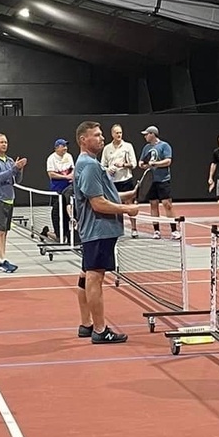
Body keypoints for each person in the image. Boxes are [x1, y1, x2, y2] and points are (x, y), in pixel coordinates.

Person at [73, 121, 139, 344]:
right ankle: (100, 330)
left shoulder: (86, 163)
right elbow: (98, 204)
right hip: (99, 230)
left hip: (94, 230)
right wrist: (127, 209)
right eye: (97, 135)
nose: (102, 138)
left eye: (102, 135)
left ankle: (86, 324)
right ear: (84, 139)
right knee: (95, 276)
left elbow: (102, 196)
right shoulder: (90, 165)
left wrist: (125, 195)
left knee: (86, 275)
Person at [0, 133, 27, 273]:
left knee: (5, 232)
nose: (4, 144)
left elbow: (17, 180)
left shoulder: (9, 161)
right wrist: (14, 168)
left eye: (6, 142)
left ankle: (1, 259)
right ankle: (1, 260)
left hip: (9, 199)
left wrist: (19, 169)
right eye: (1, 142)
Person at [139, 125, 178, 240]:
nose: (145, 136)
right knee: (153, 204)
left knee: (167, 204)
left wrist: (156, 164)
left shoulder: (164, 146)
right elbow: (141, 161)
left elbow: (168, 161)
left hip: (163, 179)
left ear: (152, 134)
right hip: (151, 181)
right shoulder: (146, 148)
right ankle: (156, 230)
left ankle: (174, 230)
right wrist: (142, 164)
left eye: (147, 134)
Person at [101, 124, 139, 238]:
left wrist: (123, 165)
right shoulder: (107, 148)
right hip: (112, 181)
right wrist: (108, 170)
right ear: (112, 134)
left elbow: (134, 164)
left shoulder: (128, 146)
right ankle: (115, 230)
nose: (119, 135)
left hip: (126, 180)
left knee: (129, 204)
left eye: (120, 133)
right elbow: (102, 165)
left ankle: (134, 229)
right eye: (117, 133)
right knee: (114, 206)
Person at [46, 138, 75, 244]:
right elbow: (51, 174)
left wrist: (71, 176)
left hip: (69, 190)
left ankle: (68, 234)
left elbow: (73, 169)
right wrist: (66, 177)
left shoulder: (69, 156)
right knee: (57, 213)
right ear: (57, 148)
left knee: (68, 212)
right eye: (63, 146)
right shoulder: (51, 158)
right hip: (57, 190)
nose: (65, 148)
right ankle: (56, 234)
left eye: (66, 146)